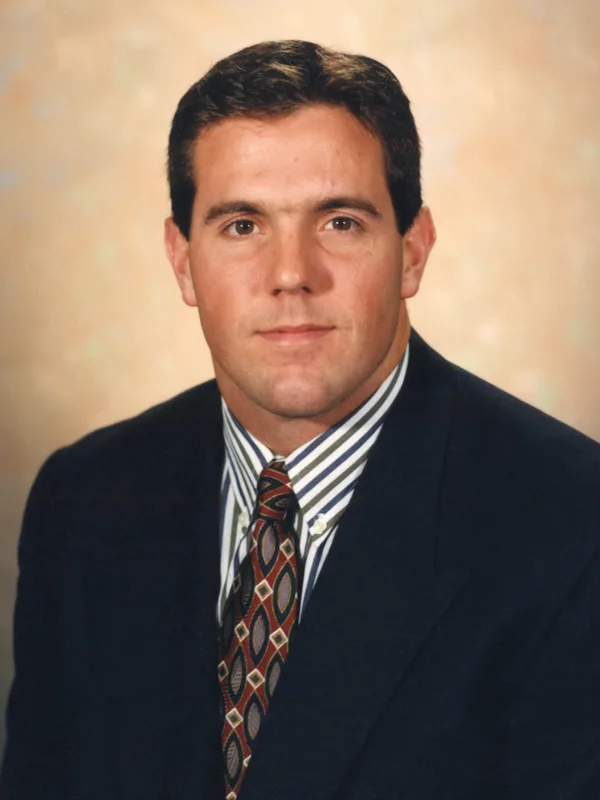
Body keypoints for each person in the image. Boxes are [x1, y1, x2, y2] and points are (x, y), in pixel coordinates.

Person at [1, 39, 599, 800]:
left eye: (339, 222)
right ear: (182, 261)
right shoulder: (83, 501)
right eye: (242, 225)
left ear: (413, 251)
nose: (291, 275)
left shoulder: (570, 521)